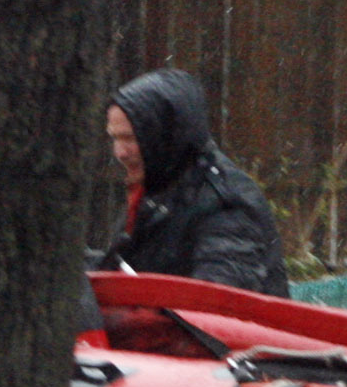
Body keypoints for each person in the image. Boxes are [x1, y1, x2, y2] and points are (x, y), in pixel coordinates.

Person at [97, 67, 288, 296]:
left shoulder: (225, 203)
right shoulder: (161, 186)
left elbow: (218, 299)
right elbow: (122, 265)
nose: (120, 152)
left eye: (130, 138)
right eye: (115, 138)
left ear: (165, 134)